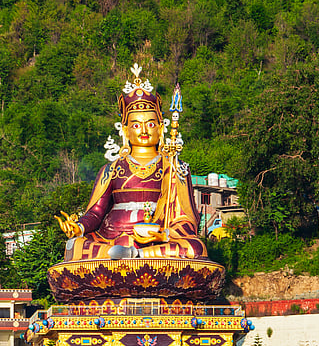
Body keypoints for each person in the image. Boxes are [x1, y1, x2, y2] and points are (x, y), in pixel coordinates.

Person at [56, 65, 207, 261]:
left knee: (195, 248)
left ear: (161, 129)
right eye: (136, 125)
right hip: (110, 238)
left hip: (156, 238)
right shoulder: (112, 169)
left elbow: (186, 218)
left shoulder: (174, 166)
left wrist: (165, 235)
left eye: (150, 124)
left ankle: (138, 254)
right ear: (125, 131)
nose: (144, 130)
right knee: (75, 245)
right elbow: (96, 212)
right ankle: (133, 255)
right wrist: (79, 227)